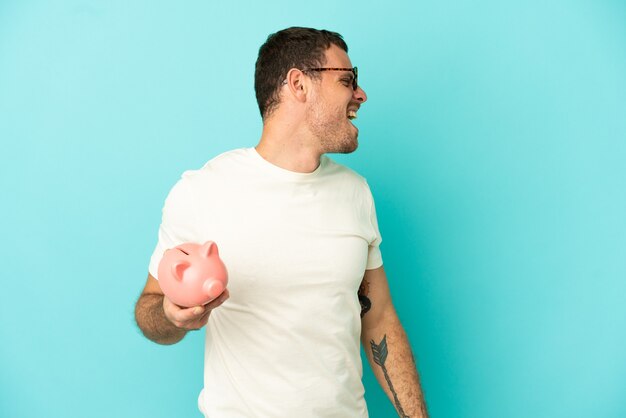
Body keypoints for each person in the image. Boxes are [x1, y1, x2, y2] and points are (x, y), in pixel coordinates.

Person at [135, 26, 429, 418]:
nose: (360, 94)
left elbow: (378, 318)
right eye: (347, 80)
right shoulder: (203, 190)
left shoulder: (355, 193)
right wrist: (172, 315)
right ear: (299, 84)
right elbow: (151, 307)